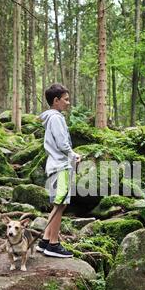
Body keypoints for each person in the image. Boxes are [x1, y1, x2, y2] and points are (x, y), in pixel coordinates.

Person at [36, 84, 81, 258]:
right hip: (60, 166)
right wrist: (73, 155)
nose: (68, 103)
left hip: (55, 164)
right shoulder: (56, 118)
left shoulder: (52, 118)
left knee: (58, 203)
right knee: (60, 204)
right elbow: (62, 143)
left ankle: (45, 240)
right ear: (56, 101)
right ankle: (53, 245)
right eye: (66, 99)